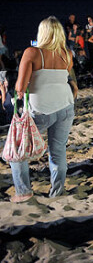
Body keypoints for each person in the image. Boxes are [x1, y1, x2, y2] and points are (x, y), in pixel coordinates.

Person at [10, 16, 78, 202]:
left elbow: (20, 88)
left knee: (17, 151)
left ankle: (23, 192)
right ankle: (57, 192)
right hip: (65, 106)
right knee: (58, 152)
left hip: (41, 110)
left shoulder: (32, 52)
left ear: (42, 32)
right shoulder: (67, 54)